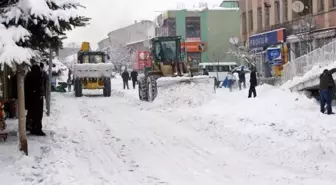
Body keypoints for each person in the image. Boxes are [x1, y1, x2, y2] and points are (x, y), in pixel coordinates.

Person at [25, 64, 45, 136]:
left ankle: (32, 128)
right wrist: (39, 94)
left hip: (31, 99)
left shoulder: (29, 75)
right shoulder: (37, 76)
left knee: (32, 114)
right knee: (38, 115)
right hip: (36, 99)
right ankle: (37, 129)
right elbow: (38, 87)